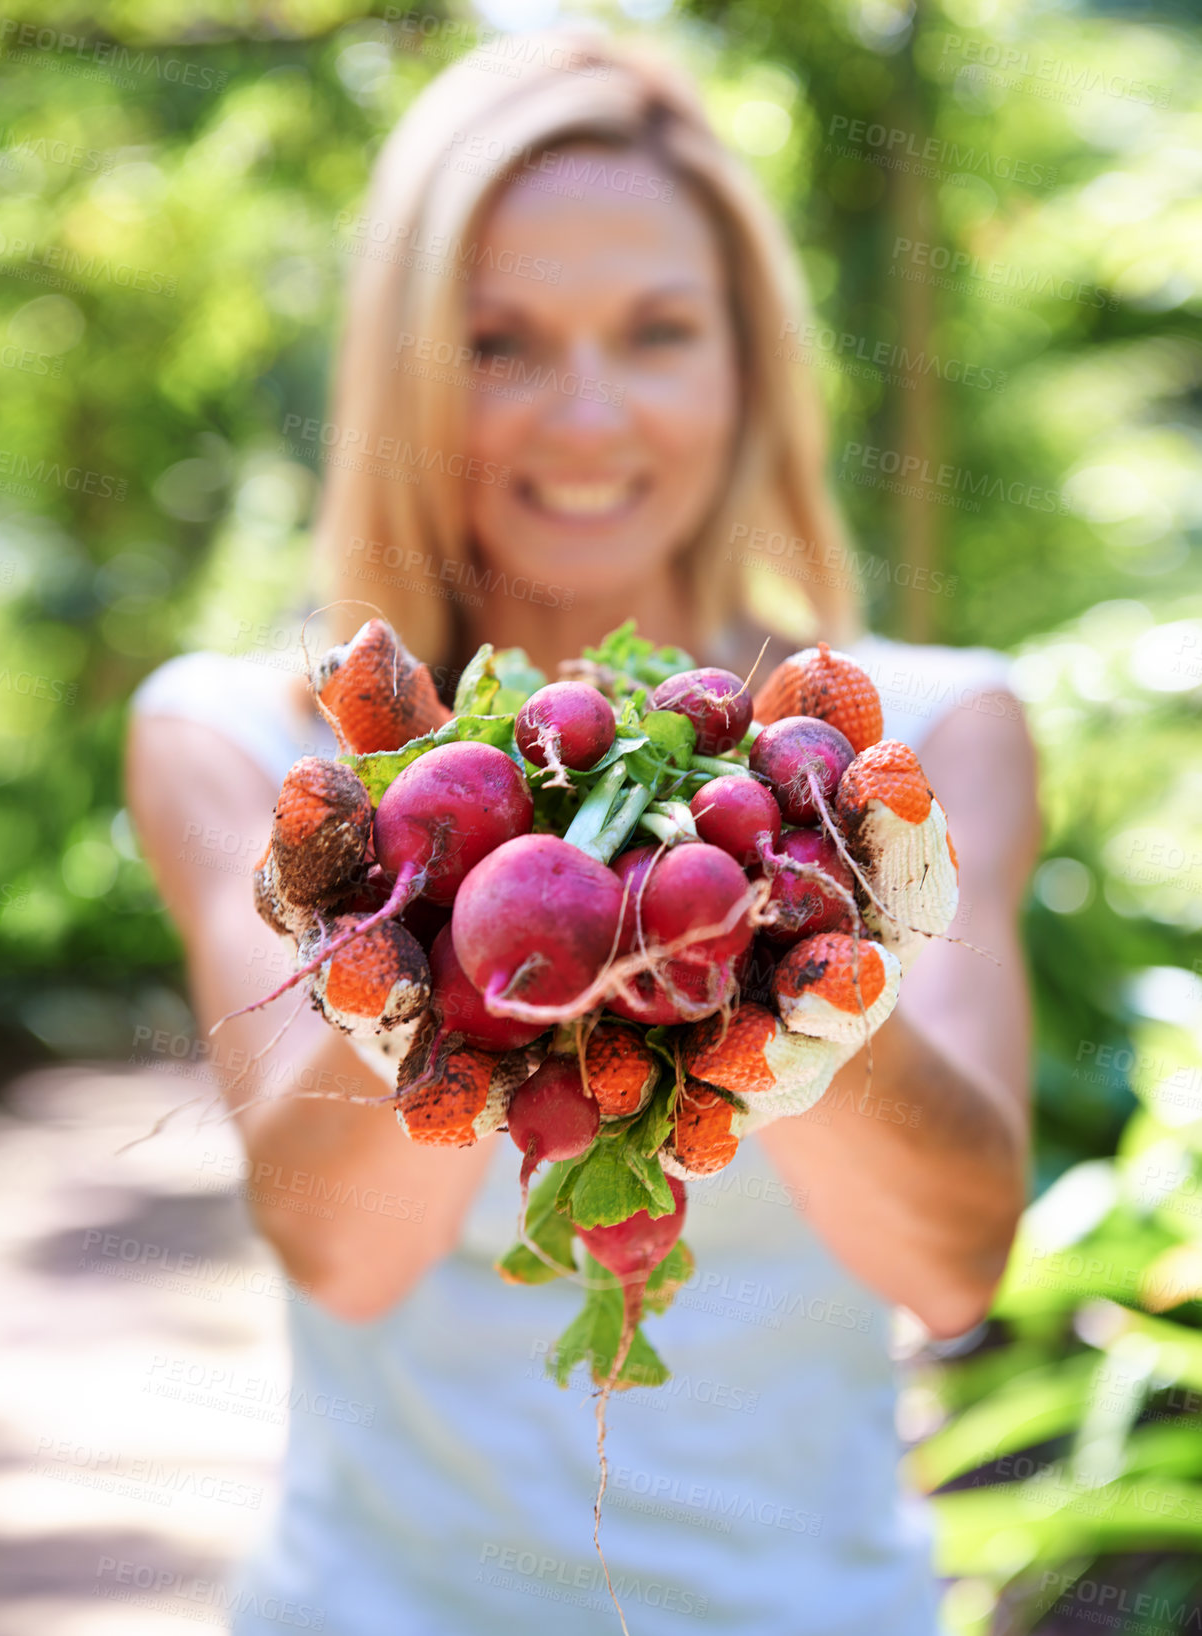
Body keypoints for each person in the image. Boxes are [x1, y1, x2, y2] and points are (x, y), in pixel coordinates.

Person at [126, 29, 1039, 1636]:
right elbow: (337, 1252)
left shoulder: (906, 740)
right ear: (404, 371)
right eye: (499, 344)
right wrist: (405, 937)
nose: (587, 415)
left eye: (657, 332)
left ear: (746, 364)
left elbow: (953, 1266)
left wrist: (822, 1000)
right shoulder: (256, 743)